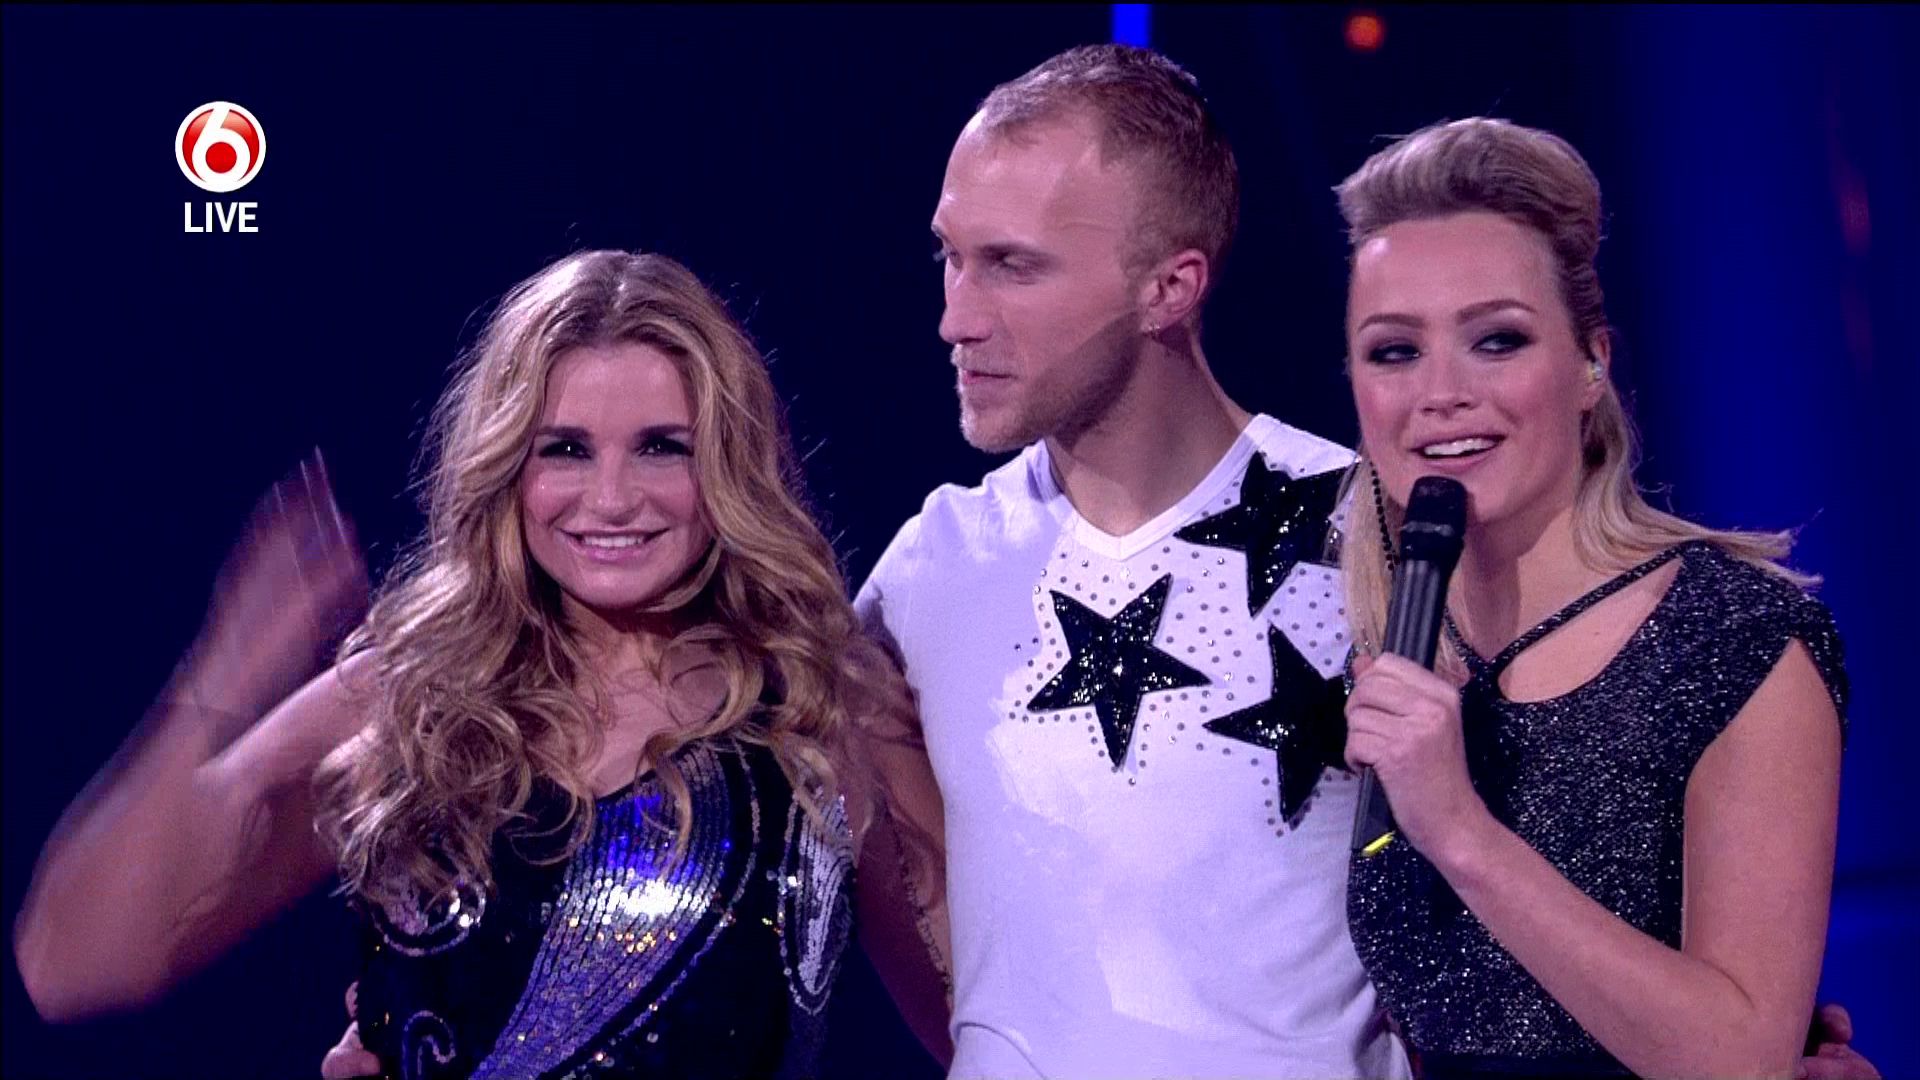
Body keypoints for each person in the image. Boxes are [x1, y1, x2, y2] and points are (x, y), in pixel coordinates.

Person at [13, 250, 943, 1079]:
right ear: (508, 467)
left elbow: (979, 1028)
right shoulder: (414, 696)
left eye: (662, 448)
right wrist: (223, 675)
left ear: (729, 467)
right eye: (565, 450)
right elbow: (76, 959)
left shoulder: (821, 705)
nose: (611, 498)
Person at [1336, 118, 1850, 1080]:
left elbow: (1742, 1058)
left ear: (1591, 364)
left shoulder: (1731, 642)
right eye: (1394, 351)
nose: (1440, 393)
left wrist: (1460, 832)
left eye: (1497, 340)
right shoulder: (1370, 642)